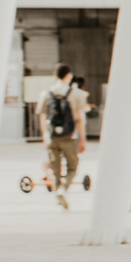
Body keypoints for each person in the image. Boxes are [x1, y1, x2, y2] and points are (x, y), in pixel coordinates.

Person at [42, 66, 87, 209]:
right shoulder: (76, 93)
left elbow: (42, 116)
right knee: (72, 167)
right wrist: (83, 140)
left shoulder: (46, 93)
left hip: (52, 136)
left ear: (55, 75)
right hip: (70, 136)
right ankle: (63, 188)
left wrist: (45, 136)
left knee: (55, 170)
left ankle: (58, 197)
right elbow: (79, 119)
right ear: (68, 75)